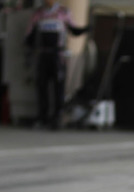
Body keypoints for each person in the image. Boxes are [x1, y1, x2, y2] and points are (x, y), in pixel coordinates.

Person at [25, 0, 88, 130]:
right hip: (43, 55)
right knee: (41, 86)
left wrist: (85, 29)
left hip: (58, 56)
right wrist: (29, 49)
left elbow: (74, 30)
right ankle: (42, 117)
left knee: (58, 87)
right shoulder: (38, 14)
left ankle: (57, 117)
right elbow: (29, 36)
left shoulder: (63, 12)